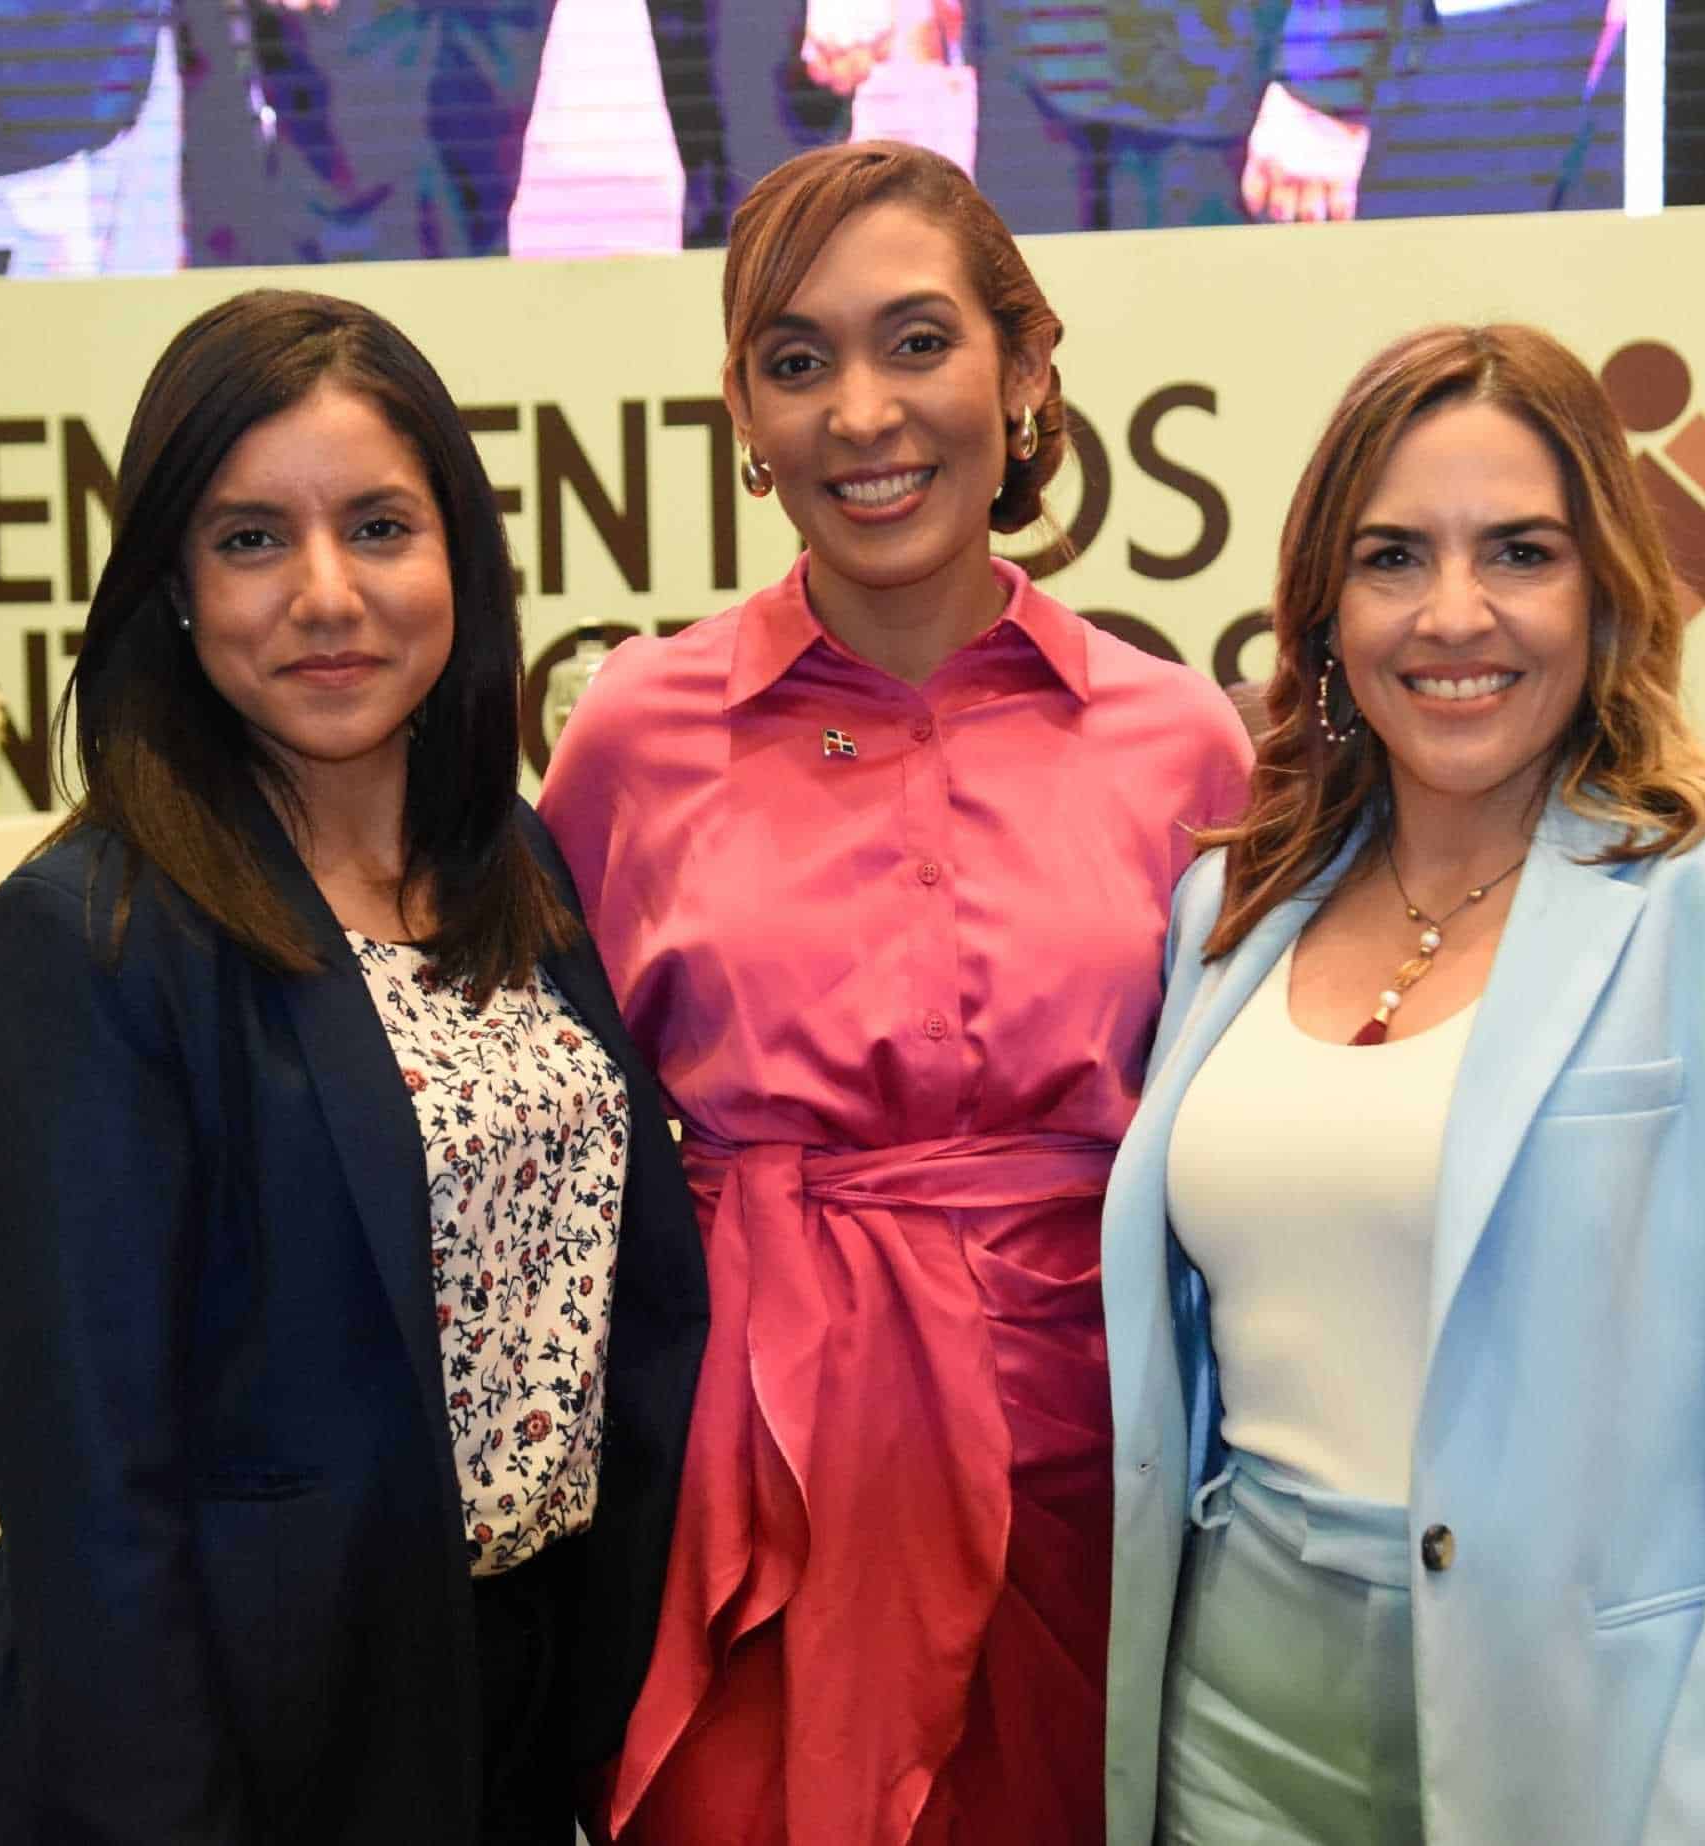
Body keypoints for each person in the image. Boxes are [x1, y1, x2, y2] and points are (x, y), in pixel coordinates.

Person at [1101, 323, 1705, 1845]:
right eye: (1394, 556)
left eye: (1520, 551)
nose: (1453, 614)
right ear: (1325, 610)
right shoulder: (1228, 914)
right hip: (1233, 1725)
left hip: (1599, 1749)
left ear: (1605, 589)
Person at [539, 139, 1252, 1843]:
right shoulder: (637, 734)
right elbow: (565, 1152)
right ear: (746, 414)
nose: (863, 411)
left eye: (918, 341)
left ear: (1024, 367)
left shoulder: (1180, 741)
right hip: (752, 1493)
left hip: (1090, 1475)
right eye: (799, 361)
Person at [0, 288, 708, 1844]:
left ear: (459, 559)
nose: (325, 595)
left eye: (378, 526)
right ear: (168, 578)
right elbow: (97, 1505)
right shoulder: (84, 938)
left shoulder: (515, 862)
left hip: (501, 1698)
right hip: (230, 1745)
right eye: (248, 539)